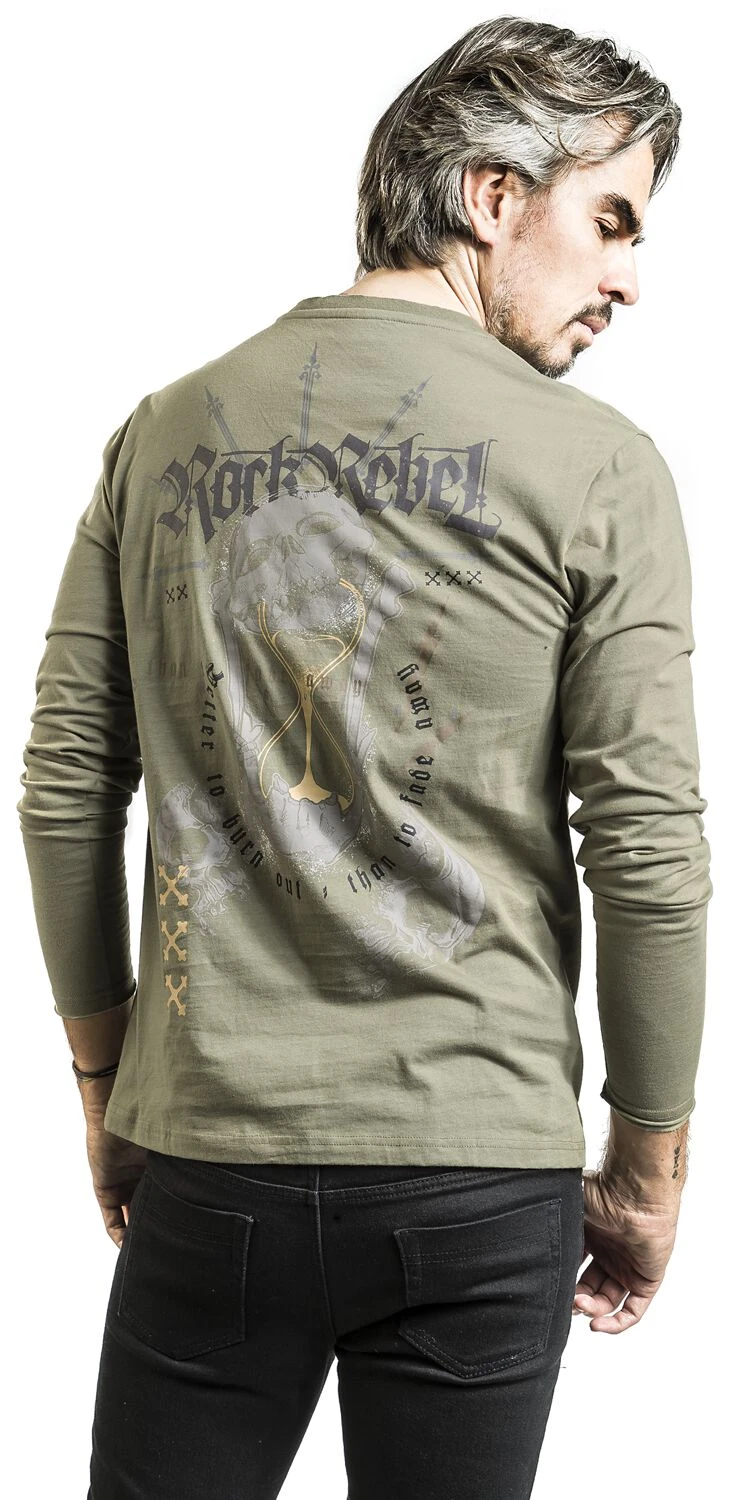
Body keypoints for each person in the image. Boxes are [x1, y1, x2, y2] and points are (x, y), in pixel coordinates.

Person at [17, 15, 712, 1500]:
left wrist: (106, 1083)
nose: (629, 281)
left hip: (211, 1159)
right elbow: (647, 842)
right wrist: (649, 1168)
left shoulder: (163, 433)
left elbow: (67, 787)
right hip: (480, 1174)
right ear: (490, 195)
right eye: (611, 221)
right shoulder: (597, 468)